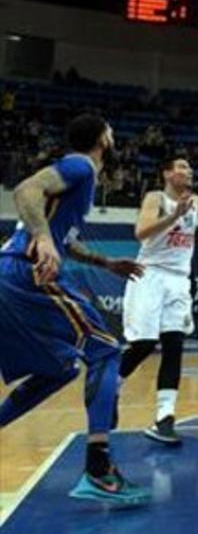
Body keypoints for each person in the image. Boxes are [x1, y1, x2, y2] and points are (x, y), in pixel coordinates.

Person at [0, 114, 150, 505]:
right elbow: (26, 189)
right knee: (105, 349)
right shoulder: (80, 165)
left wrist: (106, 263)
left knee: (61, 366)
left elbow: (66, 241)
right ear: (103, 138)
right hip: (29, 273)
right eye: (112, 130)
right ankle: (99, 469)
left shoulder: (82, 182)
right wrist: (43, 239)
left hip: (13, 275)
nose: (115, 134)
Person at [117, 157, 198, 446]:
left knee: (175, 345)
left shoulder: (195, 201)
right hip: (150, 275)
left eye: (191, 168)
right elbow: (141, 232)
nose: (190, 171)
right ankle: (112, 386)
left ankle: (165, 418)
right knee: (144, 344)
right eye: (183, 167)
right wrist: (175, 216)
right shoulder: (156, 198)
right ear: (167, 173)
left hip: (178, 279)